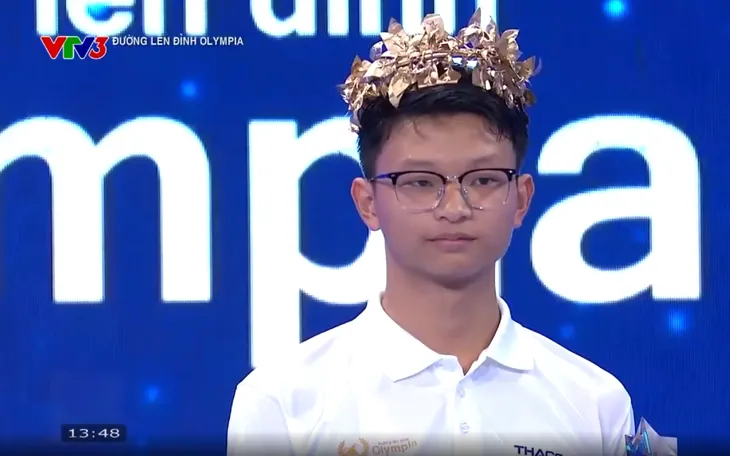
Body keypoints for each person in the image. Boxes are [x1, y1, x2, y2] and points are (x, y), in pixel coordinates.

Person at [228, 9, 634, 456]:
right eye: (420, 182)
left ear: (521, 199)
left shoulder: (595, 404)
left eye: (483, 180)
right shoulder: (284, 404)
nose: (455, 208)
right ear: (367, 203)